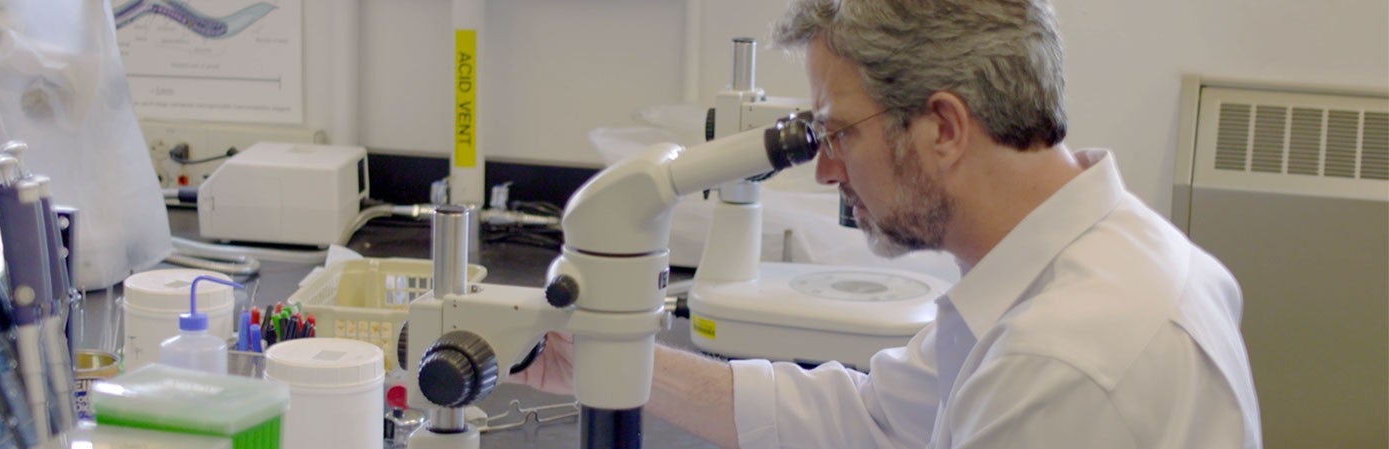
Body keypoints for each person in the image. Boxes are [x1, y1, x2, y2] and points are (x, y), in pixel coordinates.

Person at [512, 0, 1262, 447]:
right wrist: (602, 356)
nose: (828, 170)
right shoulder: (1079, 264)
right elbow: (874, 419)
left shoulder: (1065, 360)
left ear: (942, 126)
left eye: (840, 134)